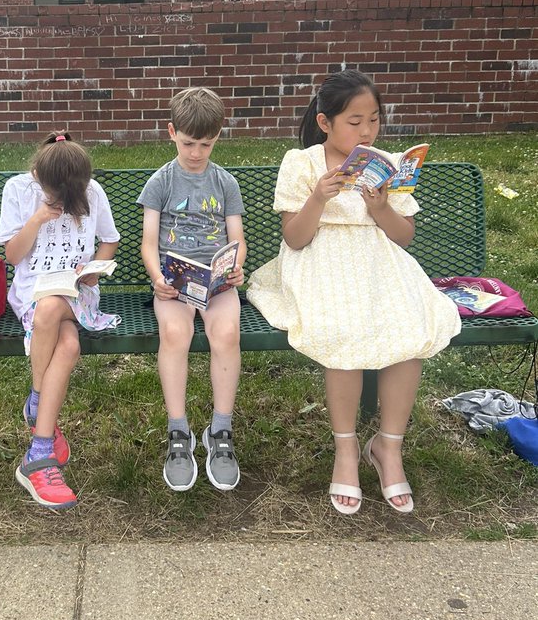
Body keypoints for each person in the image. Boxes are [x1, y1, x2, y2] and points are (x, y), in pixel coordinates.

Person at [246, 69, 461, 515]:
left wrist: (381, 207)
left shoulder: (386, 164)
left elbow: (403, 237)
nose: (367, 131)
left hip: (379, 262)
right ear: (325, 123)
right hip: (319, 261)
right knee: (340, 331)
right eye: (355, 121)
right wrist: (318, 199)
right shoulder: (301, 163)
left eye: (375, 120)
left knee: (411, 328)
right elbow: (296, 238)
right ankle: (346, 451)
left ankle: (388, 446)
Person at [0, 132, 120, 509]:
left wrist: (93, 270)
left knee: (53, 308)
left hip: (77, 292)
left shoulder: (92, 192)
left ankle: (37, 421)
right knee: (67, 345)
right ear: (37, 176)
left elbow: (109, 240)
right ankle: (40, 448)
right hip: (32, 292)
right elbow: (13, 256)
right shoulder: (19, 190)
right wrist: (36, 219)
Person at [139, 87, 246, 492]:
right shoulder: (161, 181)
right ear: (171, 133)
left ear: (218, 136)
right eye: (188, 143)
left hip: (216, 282)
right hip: (174, 281)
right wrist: (158, 278)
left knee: (226, 333)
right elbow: (149, 242)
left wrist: (235, 267)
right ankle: (178, 433)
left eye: (206, 143)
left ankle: (220, 433)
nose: (197, 152)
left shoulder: (225, 183)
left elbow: (237, 237)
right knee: (175, 333)